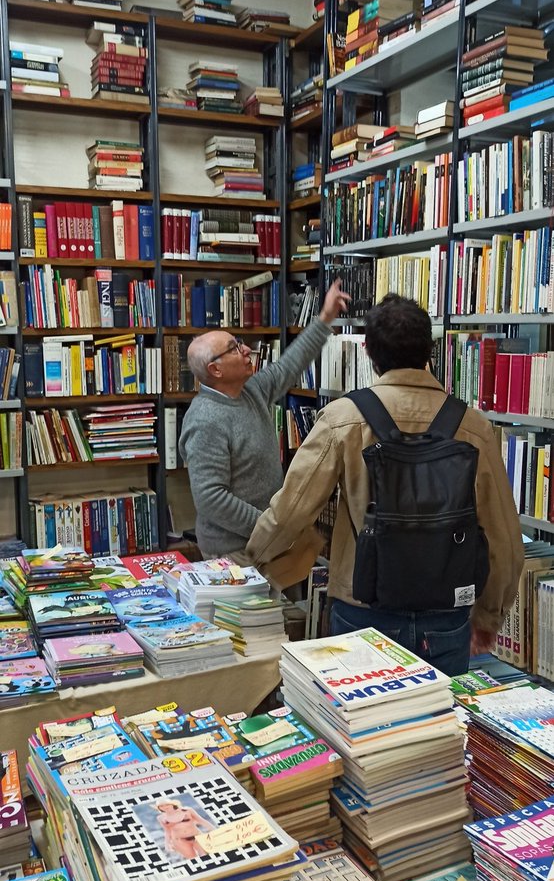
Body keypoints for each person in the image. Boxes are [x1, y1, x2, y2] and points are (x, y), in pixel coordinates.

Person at [247, 293, 524, 675]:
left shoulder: (342, 418)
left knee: (359, 729)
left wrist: (252, 561)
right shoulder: (473, 425)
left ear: (368, 352)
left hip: (362, 611)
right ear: (430, 349)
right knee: (440, 730)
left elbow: (290, 512)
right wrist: (488, 616)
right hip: (446, 617)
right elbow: (505, 541)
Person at [180, 280, 350, 559]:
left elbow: (290, 365)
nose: (246, 350)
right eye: (234, 348)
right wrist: (268, 526)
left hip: (268, 542)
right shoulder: (206, 420)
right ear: (215, 369)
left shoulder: (251, 390)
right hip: (234, 553)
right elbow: (211, 499)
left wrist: (325, 318)